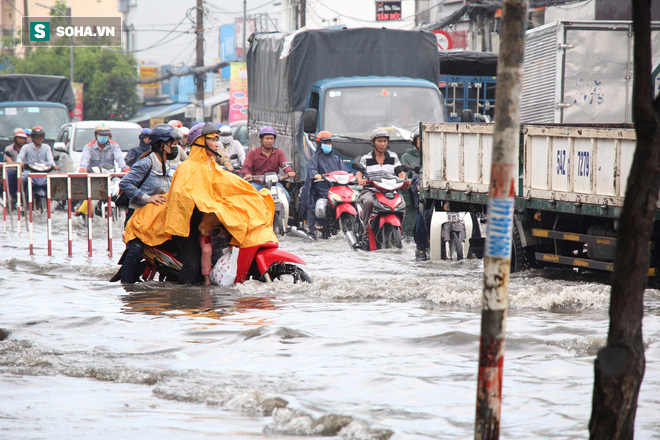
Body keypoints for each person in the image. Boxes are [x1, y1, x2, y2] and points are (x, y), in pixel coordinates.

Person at [119, 124, 178, 283]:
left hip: (157, 218)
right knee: (136, 250)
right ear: (161, 144)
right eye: (172, 143)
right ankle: (126, 287)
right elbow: (125, 184)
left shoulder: (166, 164)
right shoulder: (146, 163)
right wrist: (147, 197)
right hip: (138, 217)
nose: (175, 146)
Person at [355, 127, 407, 236]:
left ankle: (400, 230)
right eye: (379, 141)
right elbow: (359, 174)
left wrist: (406, 180)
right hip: (371, 191)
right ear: (372, 142)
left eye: (384, 141)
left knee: (401, 202)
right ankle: (365, 229)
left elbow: (400, 173)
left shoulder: (393, 156)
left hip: (389, 191)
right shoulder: (366, 158)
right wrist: (361, 180)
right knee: (368, 201)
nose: (382, 144)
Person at [300, 130, 348, 232]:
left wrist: (352, 176)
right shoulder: (315, 158)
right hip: (321, 189)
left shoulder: (336, 159)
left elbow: (345, 170)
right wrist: (316, 175)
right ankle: (320, 225)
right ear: (319, 144)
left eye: (330, 143)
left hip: (337, 189)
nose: (328, 145)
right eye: (325, 143)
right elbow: (312, 169)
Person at [242, 126, 295, 202]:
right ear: (261, 139)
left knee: (286, 197)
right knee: (250, 198)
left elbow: (284, 165)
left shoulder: (278, 152)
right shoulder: (253, 153)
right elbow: (245, 167)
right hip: (257, 183)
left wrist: (289, 171)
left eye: (271, 138)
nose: (269, 141)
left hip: (274, 184)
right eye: (267, 138)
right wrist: (247, 174)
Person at [16, 126, 59, 190]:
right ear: (33, 137)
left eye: (41, 136)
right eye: (37, 136)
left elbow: (50, 159)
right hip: (30, 171)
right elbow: (19, 157)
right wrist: (20, 163)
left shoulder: (46, 147)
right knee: (22, 181)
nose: (39, 138)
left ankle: (51, 198)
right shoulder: (26, 147)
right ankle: (22, 197)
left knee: (55, 182)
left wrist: (54, 165)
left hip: (44, 172)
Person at [3, 129, 28, 200]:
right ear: (15, 139)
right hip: (13, 169)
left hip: (25, 170)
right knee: (10, 174)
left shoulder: (27, 148)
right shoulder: (9, 148)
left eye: (23, 138)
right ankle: (12, 196)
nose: (21, 140)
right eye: (19, 138)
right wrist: (17, 164)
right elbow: (8, 159)